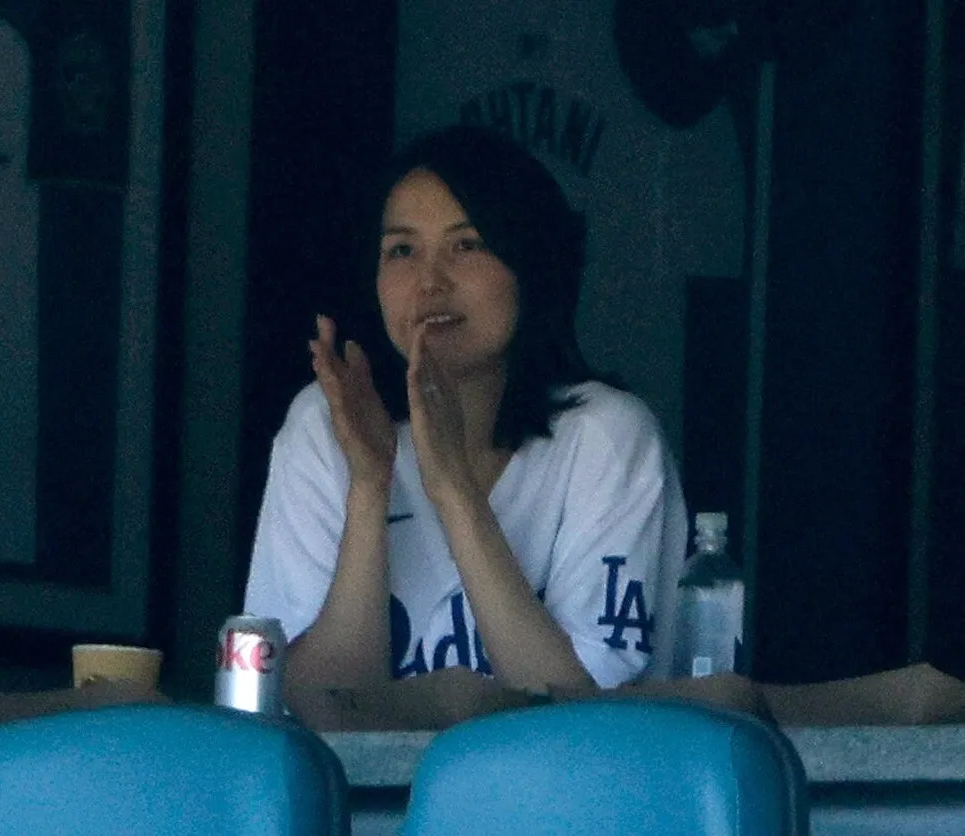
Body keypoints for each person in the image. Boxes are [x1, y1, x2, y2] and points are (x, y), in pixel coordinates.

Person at [242, 124, 690, 728]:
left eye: (467, 245)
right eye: (402, 250)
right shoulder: (327, 426)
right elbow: (316, 717)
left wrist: (454, 491)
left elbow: (582, 718)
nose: (430, 282)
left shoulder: (608, 438)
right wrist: (369, 489)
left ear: (529, 264)